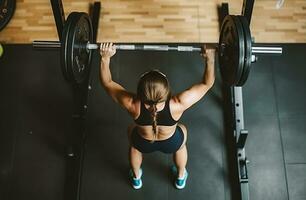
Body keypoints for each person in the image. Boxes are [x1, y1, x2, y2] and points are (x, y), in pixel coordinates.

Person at [99, 43, 215, 190]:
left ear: (140, 93)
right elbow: (207, 84)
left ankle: (136, 178)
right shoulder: (178, 104)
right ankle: (180, 177)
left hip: (143, 143)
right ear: (167, 91)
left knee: (134, 144)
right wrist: (210, 59)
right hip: (171, 142)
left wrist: (105, 58)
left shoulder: (132, 104)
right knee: (182, 136)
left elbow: (107, 83)